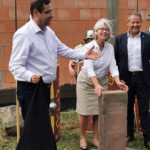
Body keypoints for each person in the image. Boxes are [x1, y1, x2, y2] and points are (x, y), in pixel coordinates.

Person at [9, 0, 100, 149]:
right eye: (48, 12)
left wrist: (84, 55)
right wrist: (29, 76)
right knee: (34, 131)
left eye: (52, 11)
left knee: (39, 131)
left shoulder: (49, 32)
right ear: (36, 13)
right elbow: (14, 66)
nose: (52, 15)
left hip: (44, 89)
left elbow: (62, 49)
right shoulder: (24, 34)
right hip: (31, 89)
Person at [76, 18, 128, 150]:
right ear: (96, 32)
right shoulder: (89, 46)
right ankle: (82, 137)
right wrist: (96, 85)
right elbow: (89, 68)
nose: (104, 31)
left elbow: (113, 66)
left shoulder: (110, 48)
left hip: (102, 81)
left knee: (98, 112)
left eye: (106, 29)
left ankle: (95, 138)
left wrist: (118, 81)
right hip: (86, 82)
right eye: (101, 29)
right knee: (85, 111)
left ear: (109, 33)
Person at [114, 12, 150, 149]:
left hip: (143, 78)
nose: (135, 25)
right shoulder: (120, 39)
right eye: (132, 22)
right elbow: (115, 60)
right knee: (127, 108)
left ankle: (147, 138)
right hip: (126, 79)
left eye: (137, 22)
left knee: (144, 109)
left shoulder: (148, 38)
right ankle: (129, 134)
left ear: (141, 23)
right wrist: (118, 78)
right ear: (127, 23)